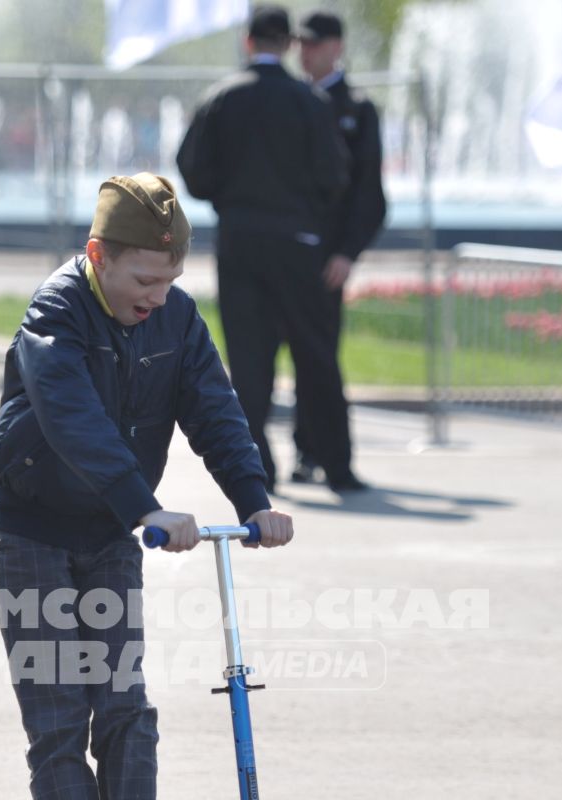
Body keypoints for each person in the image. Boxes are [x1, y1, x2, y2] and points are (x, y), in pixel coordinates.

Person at [0, 173, 292, 800]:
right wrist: (144, 503)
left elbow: (214, 408)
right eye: (144, 280)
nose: (157, 296)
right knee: (59, 717)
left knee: (125, 706)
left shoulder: (177, 320)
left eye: (171, 280)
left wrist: (254, 497)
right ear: (98, 258)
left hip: (115, 534)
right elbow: (73, 420)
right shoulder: (55, 315)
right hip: (38, 531)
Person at [176, 4, 348, 494]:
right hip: (297, 242)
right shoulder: (308, 101)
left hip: (240, 240)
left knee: (249, 359)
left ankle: (258, 466)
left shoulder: (222, 98)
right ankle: (335, 463)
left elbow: (192, 169)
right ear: (289, 44)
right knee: (315, 353)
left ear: (249, 42)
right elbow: (335, 175)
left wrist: (231, 198)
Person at [290, 9, 385, 491]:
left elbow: (369, 195)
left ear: (336, 47)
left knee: (320, 359)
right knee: (278, 357)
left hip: (326, 259)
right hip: (284, 255)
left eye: (315, 43)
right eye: (301, 43)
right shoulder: (289, 100)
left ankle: (327, 455)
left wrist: (347, 253)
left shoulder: (357, 107)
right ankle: (304, 452)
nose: (305, 52)